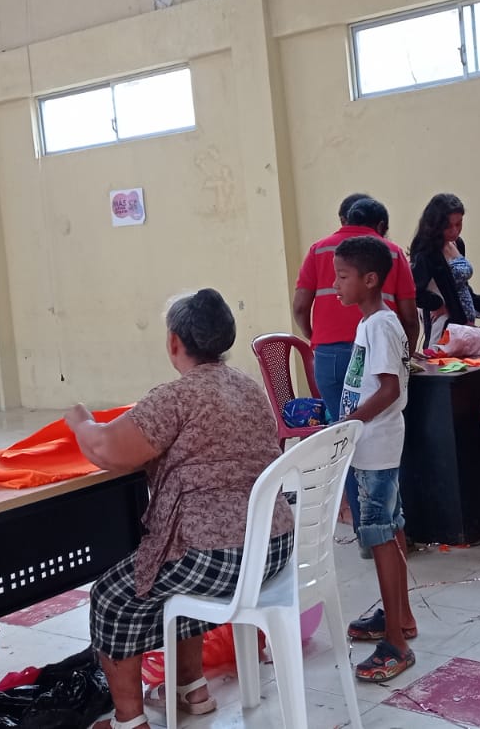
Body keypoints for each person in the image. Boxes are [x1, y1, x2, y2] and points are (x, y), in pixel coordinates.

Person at [67, 291, 294, 728]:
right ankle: (192, 688)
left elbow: (108, 450)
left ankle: (128, 720)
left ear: (174, 342)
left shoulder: (177, 397)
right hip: (272, 546)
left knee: (111, 596)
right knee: (175, 577)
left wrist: (82, 423)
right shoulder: (247, 387)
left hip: (220, 556)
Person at [331, 236, 417, 682]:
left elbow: (389, 389)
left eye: (342, 276)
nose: (335, 285)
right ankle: (399, 617)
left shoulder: (380, 325)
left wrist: (348, 423)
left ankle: (397, 645)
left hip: (375, 444)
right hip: (373, 441)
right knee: (391, 529)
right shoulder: (373, 322)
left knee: (380, 535)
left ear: (369, 279)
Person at [293, 195, 420, 418]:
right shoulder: (393, 253)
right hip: (381, 352)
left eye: (342, 277)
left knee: (345, 423)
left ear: (345, 219)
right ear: (381, 225)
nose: (336, 285)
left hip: (330, 352)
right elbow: (410, 317)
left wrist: (315, 336)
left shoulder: (318, 250)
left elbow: (300, 307)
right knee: (377, 418)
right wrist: (405, 357)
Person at [409, 193, 480, 348]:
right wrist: (437, 304)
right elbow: (414, 291)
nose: (455, 231)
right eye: (449, 226)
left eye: (459, 224)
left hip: (464, 322)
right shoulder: (427, 252)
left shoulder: (457, 244)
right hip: (445, 324)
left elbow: (462, 286)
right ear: (436, 225)